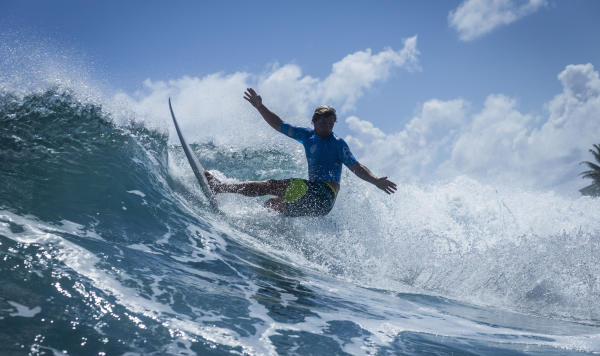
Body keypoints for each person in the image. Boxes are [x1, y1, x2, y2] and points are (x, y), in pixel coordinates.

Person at [204, 88, 397, 217]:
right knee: (273, 205)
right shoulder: (307, 135)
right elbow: (279, 124)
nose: (328, 126)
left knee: (271, 185)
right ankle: (266, 234)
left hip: (323, 194)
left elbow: (357, 167)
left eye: (331, 123)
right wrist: (259, 107)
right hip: (320, 206)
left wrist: (376, 180)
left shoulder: (337, 143)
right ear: (314, 121)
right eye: (324, 122)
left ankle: (220, 187)